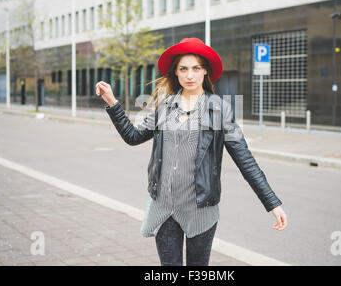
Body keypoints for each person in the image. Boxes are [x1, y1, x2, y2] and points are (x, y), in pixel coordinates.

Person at [95, 37, 287, 266]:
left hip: (200, 210)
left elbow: (245, 160)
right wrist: (112, 103)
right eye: (183, 69)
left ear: (205, 71)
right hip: (164, 209)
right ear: (176, 73)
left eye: (196, 68)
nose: (190, 75)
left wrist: (272, 203)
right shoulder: (165, 107)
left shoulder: (219, 110)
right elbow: (133, 137)